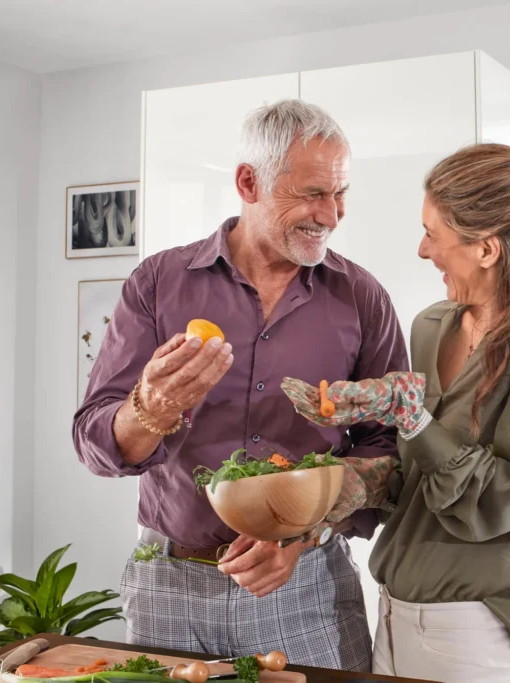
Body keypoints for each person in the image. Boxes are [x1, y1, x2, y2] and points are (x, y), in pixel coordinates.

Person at [72, 99, 408, 672]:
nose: (331, 215)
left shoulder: (362, 297)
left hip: (309, 586)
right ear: (249, 182)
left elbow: (389, 451)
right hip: (170, 589)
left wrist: (298, 537)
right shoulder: (157, 283)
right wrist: (149, 410)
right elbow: (96, 443)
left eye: (340, 193)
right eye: (312, 194)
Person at [282, 143, 510, 682]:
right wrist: (351, 485)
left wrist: (411, 417)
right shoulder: (431, 325)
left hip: (477, 630)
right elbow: (424, 481)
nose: (422, 250)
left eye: (432, 233)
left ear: (486, 249)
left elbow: (500, 497)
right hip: (393, 612)